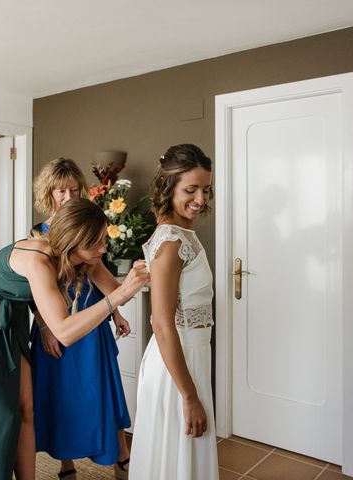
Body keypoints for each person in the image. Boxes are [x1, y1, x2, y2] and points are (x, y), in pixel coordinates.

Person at [0, 198, 149, 480]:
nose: (103, 249)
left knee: (26, 407)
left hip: (7, 319)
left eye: (103, 240)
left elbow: (115, 287)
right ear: (73, 242)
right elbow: (64, 331)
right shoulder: (38, 260)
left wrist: (146, 274)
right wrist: (116, 300)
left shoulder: (75, 255)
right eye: (95, 243)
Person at [29, 157, 132, 480]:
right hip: (55, 325)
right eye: (61, 191)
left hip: (92, 321)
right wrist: (45, 327)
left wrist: (116, 311)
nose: (69, 197)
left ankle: (122, 459)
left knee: (105, 393)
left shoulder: (87, 226)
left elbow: (100, 275)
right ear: (49, 194)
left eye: (75, 190)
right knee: (61, 398)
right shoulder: (38, 236)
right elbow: (31, 291)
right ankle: (66, 466)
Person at [128, 144, 219, 480]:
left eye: (205, 189)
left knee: (183, 458)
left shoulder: (182, 234)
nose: (200, 199)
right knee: (174, 458)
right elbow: (161, 324)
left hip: (191, 354)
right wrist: (190, 395)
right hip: (176, 364)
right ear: (169, 187)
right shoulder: (170, 244)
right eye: (190, 190)